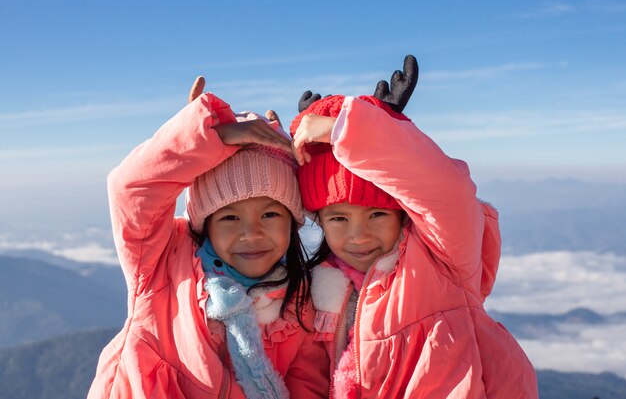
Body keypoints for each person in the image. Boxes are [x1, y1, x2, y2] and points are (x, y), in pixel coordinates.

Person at [289, 55, 539, 398]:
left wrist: (347, 131)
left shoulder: (443, 261)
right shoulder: (319, 292)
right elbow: (307, 378)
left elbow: (445, 189)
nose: (359, 235)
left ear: (403, 214)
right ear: (318, 219)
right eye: (339, 218)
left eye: (377, 215)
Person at [88, 77, 329, 399]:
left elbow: (307, 382)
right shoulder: (161, 266)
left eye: (270, 214)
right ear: (205, 224)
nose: (252, 232)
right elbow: (129, 189)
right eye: (230, 217)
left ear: (292, 221)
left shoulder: (299, 300)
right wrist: (205, 140)